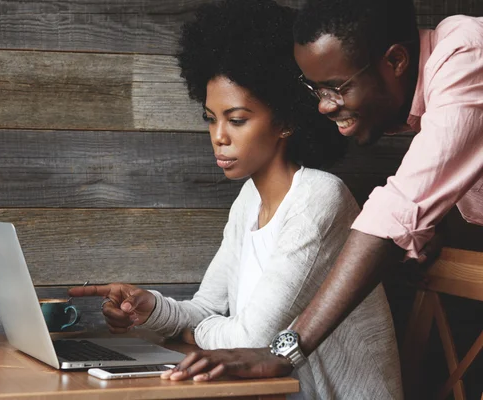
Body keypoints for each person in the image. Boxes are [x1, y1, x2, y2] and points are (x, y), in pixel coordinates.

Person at [69, 1, 403, 398]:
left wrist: (192, 332)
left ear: (288, 121)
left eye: (237, 119)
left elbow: (250, 339)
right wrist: (151, 309)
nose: (219, 136)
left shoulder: (319, 197)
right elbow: (207, 306)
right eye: (211, 118)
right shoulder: (249, 200)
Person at [166, 0, 483, 390]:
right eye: (315, 88)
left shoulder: (467, 57)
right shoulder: (436, 81)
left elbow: (400, 205)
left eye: (336, 87)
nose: (323, 105)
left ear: (396, 61)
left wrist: (284, 352)